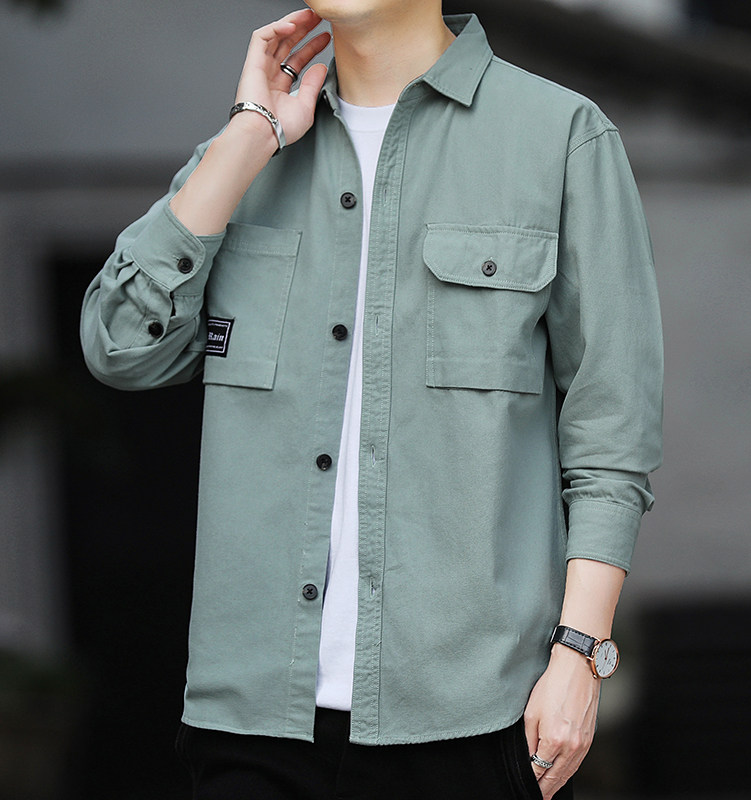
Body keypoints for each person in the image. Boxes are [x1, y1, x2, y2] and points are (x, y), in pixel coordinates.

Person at [80, 2, 663, 798]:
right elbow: (120, 346)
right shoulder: (244, 156)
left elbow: (612, 433)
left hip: (469, 716)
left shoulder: (559, 137)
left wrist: (580, 655)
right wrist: (248, 133)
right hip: (253, 719)